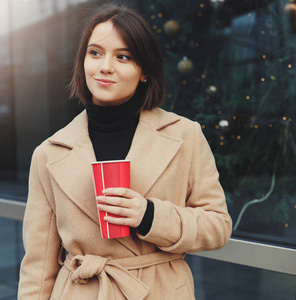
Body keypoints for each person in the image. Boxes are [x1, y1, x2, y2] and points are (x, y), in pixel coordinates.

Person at [18, 4, 232, 299]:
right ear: (83, 61)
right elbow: (37, 265)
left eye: (123, 56)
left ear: (144, 70)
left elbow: (218, 225)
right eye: (95, 53)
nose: (105, 66)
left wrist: (150, 215)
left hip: (159, 289)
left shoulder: (185, 135)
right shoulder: (49, 153)